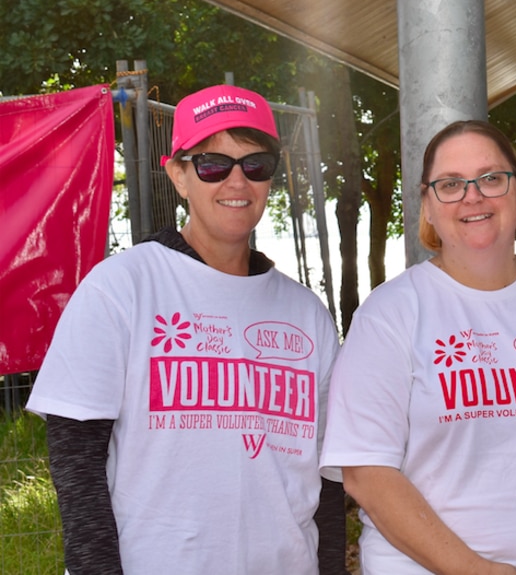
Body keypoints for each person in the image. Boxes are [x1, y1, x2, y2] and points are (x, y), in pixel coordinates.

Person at [28, 84, 344, 574]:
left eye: (255, 165)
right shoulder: (122, 288)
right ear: (177, 174)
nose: (236, 182)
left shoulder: (307, 314)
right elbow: (76, 462)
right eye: (213, 164)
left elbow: (326, 482)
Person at [321, 120, 516, 575]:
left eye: (491, 178)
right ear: (428, 206)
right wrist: (473, 569)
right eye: (450, 184)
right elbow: (366, 473)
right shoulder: (389, 313)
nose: (473, 196)